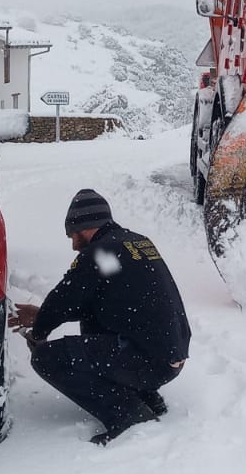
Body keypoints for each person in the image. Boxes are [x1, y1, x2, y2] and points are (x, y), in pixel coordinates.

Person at [10, 189, 191, 446]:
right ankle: (145, 395)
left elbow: (65, 297)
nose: (73, 244)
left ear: (84, 227)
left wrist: (39, 333)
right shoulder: (134, 242)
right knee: (95, 321)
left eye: (72, 234)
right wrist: (43, 316)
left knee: (46, 358)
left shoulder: (100, 252)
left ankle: (128, 415)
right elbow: (103, 300)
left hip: (147, 360)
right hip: (169, 358)